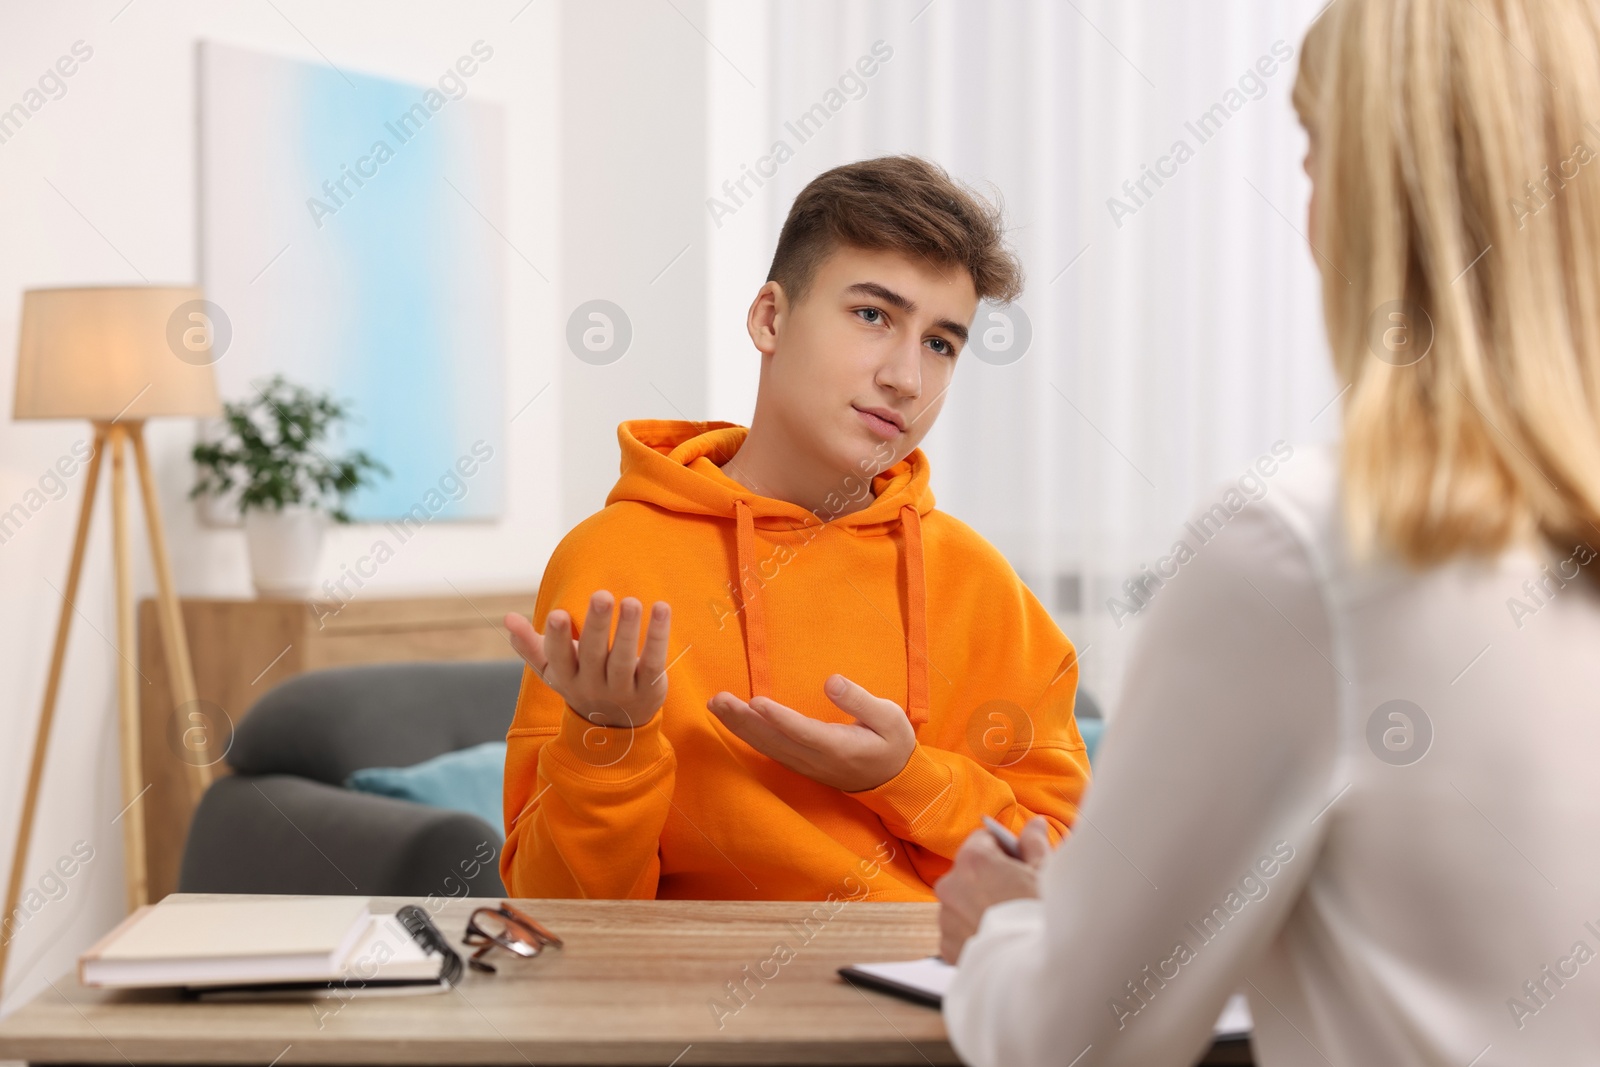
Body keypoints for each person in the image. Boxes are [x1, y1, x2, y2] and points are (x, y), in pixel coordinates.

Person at [937, 0, 1600, 1063]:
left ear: (1372, 194)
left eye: (1311, 154)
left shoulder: (1302, 553)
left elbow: (1074, 1043)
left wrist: (1009, 927)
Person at [499, 156, 1091, 901]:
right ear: (770, 318)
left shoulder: (983, 587)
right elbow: (555, 923)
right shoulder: (612, 560)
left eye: (941, 343)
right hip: (690, 1009)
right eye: (874, 315)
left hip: (930, 1001)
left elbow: (1066, 885)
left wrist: (905, 779)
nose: (907, 378)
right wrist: (605, 740)